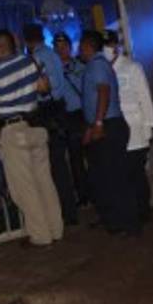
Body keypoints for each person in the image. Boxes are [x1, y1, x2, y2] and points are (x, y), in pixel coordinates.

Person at [0, 30, 64, 247]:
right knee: (45, 181)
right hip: (35, 125)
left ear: (1, 47)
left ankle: (40, 235)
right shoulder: (30, 62)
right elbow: (44, 88)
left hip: (12, 130)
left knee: (24, 188)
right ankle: (56, 229)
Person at [79, 30, 138, 236]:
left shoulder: (96, 65)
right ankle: (115, 220)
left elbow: (104, 92)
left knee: (115, 177)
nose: (80, 51)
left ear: (88, 46)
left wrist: (97, 123)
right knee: (106, 177)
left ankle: (127, 223)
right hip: (105, 124)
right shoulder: (98, 65)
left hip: (108, 126)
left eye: (81, 47)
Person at [23, 23, 81, 226]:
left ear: (27, 40)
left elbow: (41, 87)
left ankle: (64, 212)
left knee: (52, 165)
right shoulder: (52, 54)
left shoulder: (37, 58)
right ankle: (70, 209)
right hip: (59, 109)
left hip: (46, 112)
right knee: (61, 163)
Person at [105, 30, 153, 222]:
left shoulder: (131, 67)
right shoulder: (101, 69)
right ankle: (129, 213)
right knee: (121, 174)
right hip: (114, 131)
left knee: (136, 174)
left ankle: (143, 212)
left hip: (135, 129)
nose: (107, 50)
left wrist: (148, 127)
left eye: (109, 46)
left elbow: (144, 96)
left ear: (116, 46)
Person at [53, 32, 90, 206]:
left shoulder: (81, 66)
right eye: (57, 47)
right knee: (73, 159)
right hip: (65, 116)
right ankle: (82, 195)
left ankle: (92, 191)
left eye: (64, 47)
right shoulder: (53, 70)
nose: (61, 51)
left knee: (88, 155)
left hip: (81, 114)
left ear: (70, 47)